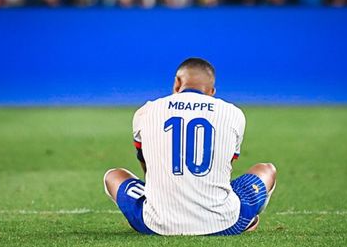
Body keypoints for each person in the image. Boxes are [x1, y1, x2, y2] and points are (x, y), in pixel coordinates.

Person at [104, 58, 277, 236]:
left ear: (177, 83)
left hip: (155, 223)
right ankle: (248, 220)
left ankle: (154, 211)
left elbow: (146, 166)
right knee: (266, 170)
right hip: (224, 222)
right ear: (212, 92)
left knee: (113, 176)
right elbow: (226, 167)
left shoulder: (146, 111)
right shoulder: (233, 113)